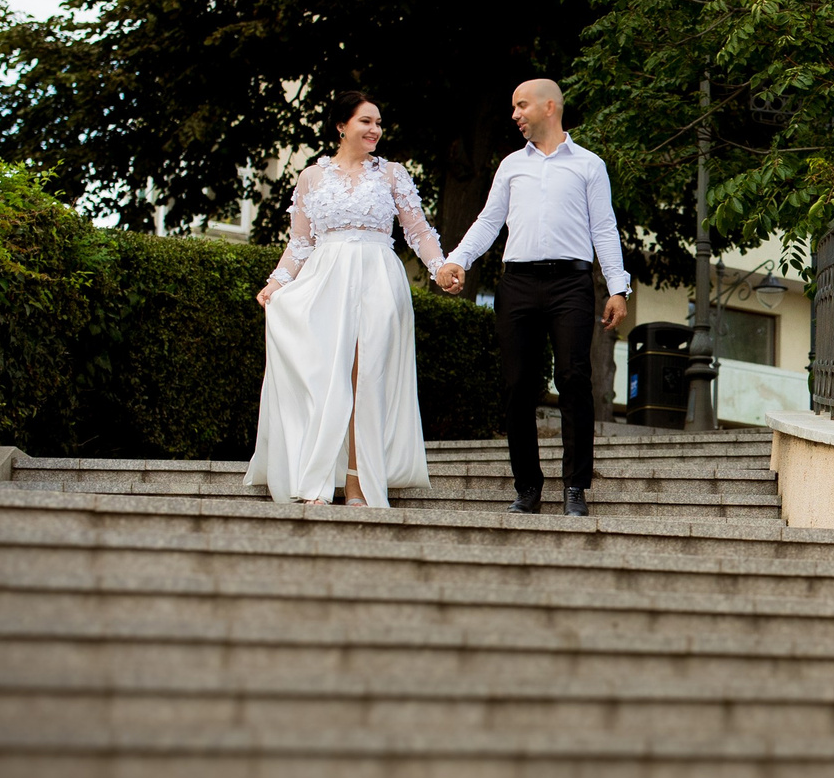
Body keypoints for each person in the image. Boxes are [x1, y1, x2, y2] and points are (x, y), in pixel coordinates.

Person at [435, 78, 631, 516]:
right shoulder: (510, 166)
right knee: (517, 386)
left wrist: (617, 287)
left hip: (571, 284)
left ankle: (575, 487)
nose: (515, 114)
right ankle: (527, 488)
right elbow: (489, 222)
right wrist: (457, 260)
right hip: (518, 283)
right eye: (512, 107)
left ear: (549, 107)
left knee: (573, 380)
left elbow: (603, 228)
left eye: (521, 106)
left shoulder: (588, 165)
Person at [247, 92, 447, 506]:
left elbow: (419, 231)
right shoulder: (311, 177)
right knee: (326, 376)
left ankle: (358, 484)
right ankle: (314, 480)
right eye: (365, 121)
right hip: (325, 280)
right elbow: (300, 243)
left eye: (378, 122)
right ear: (342, 126)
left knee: (366, 378)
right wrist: (276, 283)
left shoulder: (391, 174)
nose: (375, 129)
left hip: (377, 278)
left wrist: (440, 267)